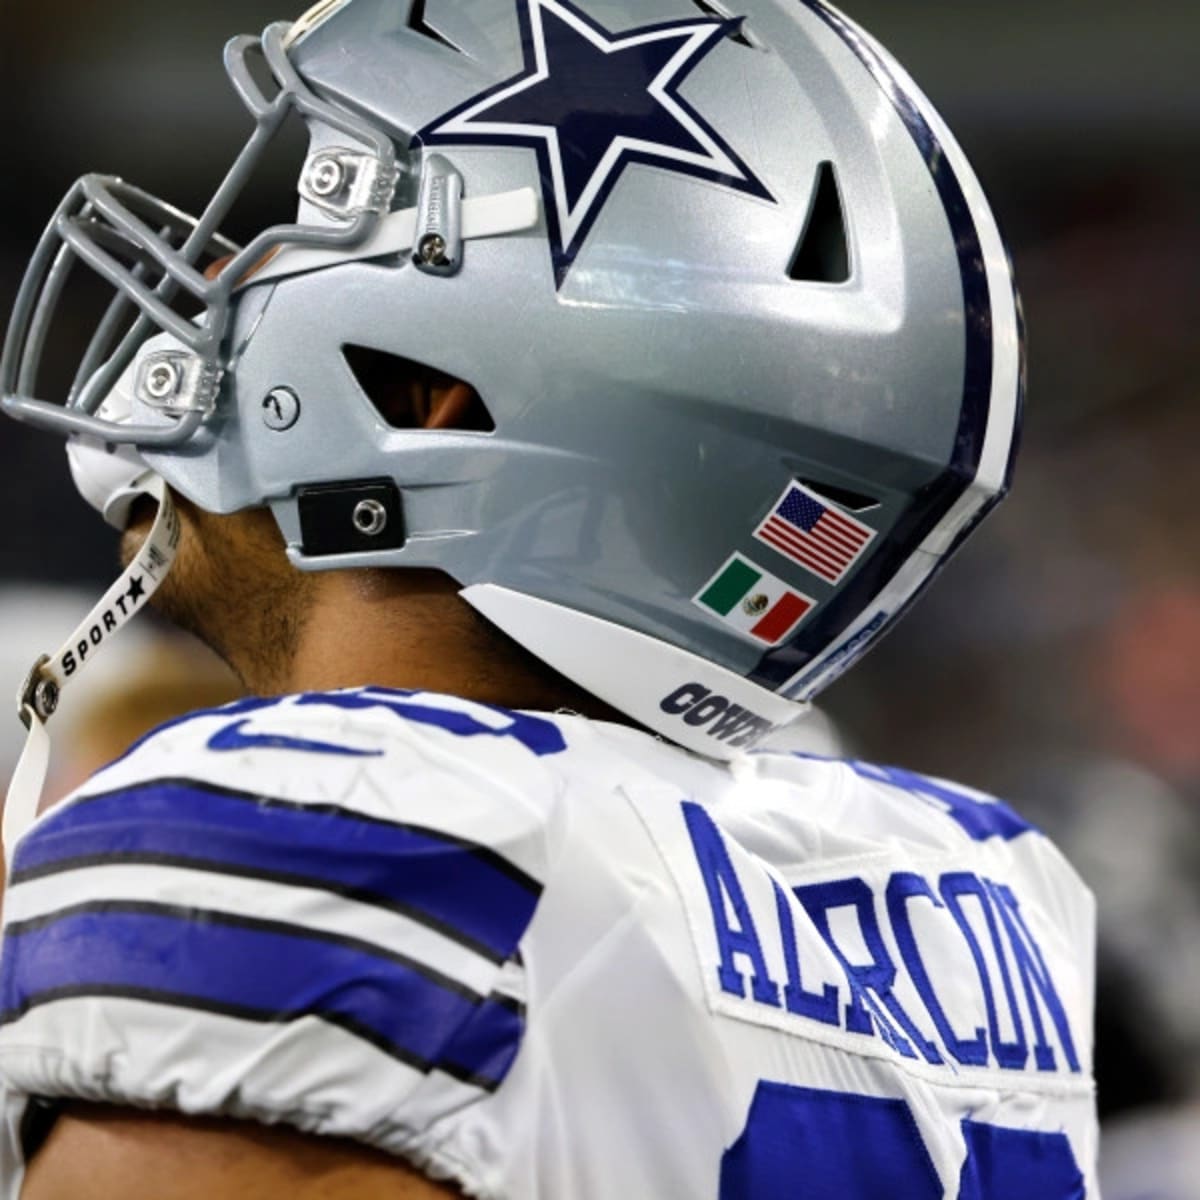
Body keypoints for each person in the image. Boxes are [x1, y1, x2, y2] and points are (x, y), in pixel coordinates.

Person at [0, 0, 1098, 1196]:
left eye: (320, 220)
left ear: (434, 394)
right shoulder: (973, 889)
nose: (225, 272)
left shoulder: (318, 826)